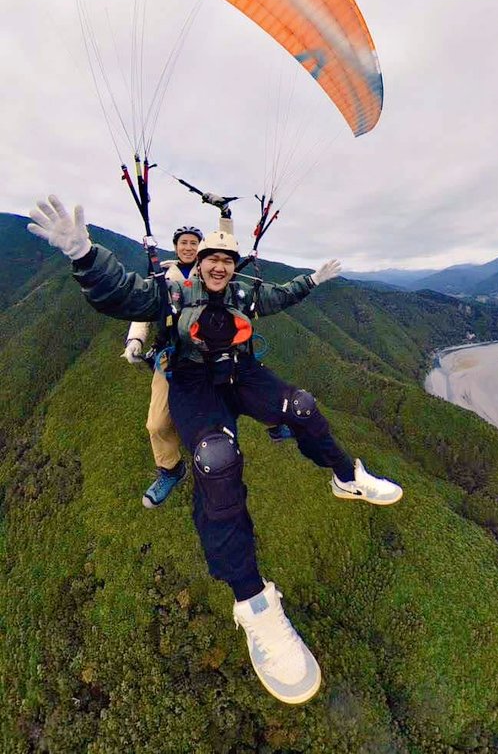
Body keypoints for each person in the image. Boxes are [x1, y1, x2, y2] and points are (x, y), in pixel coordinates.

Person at [28, 196, 403, 706]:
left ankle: (346, 476)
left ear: (233, 265)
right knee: (217, 462)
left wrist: (313, 280)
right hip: (192, 382)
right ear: (198, 262)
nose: (219, 266)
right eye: (211, 259)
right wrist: (85, 257)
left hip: (240, 373)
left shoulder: (246, 292)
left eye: (227, 260)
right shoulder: (171, 291)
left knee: (303, 406)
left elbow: (279, 298)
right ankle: (253, 603)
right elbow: (121, 296)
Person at [123, 226, 204, 509]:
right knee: (157, 423)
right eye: (184, 242)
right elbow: (145, 310)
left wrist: (225, 215)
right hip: (169, 357)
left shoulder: (208, 273)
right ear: (175, 246)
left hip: (203, 356)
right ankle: (171, 468)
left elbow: (227, 249)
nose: (189, 247)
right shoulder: (160, 277)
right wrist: (135, 340)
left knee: (210, 418)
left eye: (194, 243)